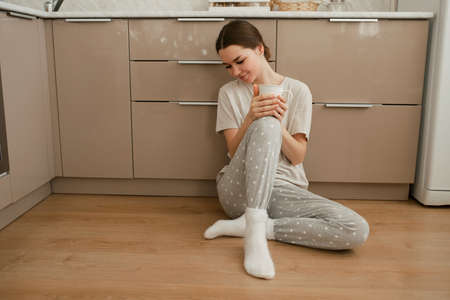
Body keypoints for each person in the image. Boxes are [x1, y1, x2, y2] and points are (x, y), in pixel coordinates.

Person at [204, 20, 370, 280]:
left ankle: (256, 227)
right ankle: (255, 235)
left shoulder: (298, 91)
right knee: (265, 122)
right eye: (228, 66)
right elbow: (234, 154)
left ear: (259, 49)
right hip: (238, 191)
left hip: (283, 189)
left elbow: (297, 157)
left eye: (240, 61)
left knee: (356, 229)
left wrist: (277, 126)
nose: (235, 71)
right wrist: (251, 117)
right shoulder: (228, 93)